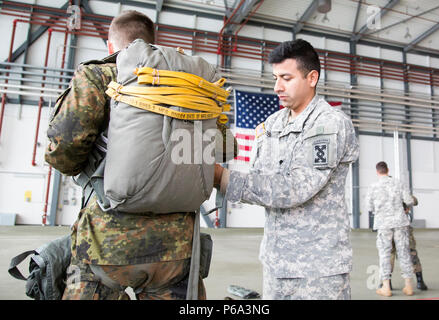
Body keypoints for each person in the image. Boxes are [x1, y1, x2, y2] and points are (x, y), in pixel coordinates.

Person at [45, 10, 235, 300]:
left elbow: (64, 151)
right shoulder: (189, 85)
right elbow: (220, 148)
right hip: (177, 247)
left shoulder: (99, 75)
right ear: (151, 42)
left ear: (112, 46)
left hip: (106, 242)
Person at [214, 39, 360, 300]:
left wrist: (221, 178)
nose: (277, 87)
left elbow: (296, 188)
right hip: (276, 264)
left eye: (286, 78)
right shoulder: (272, 124)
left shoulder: (328, 124)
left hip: (317, 271)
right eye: (275, 77)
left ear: (311, 77)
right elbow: (260, 180)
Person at [366, 161, 415, 297]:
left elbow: (369, 207)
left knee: (384, 255)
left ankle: (386, 287)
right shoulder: (398, 183)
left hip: (383, 225)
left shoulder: (373, 186)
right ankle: (409, 286)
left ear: (377, 171)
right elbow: (409, 200)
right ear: (388, 170)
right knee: (404, 253)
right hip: (400, 222)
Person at [390, 197, 428, 290]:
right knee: (408, 253)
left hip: (393, 226)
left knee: (408, 253)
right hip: (395, 226)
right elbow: (414, 201)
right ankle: (419, 281)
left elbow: (415, 201)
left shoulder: (389, 193)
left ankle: (419, 281)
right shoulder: (399, 193)